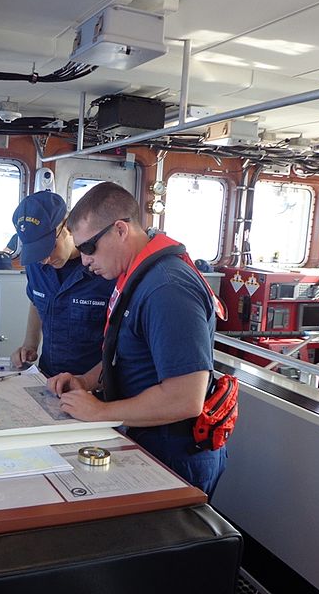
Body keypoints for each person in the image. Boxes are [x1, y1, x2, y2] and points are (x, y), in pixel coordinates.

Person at [47, 182, 227, 497]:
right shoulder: (137, 276)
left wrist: (100, 412)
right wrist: (86, 381)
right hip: (146, 438)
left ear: (119, 230)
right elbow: (126, 353)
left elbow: (185, 398)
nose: (85, 261)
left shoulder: (166, 289)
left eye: (88, 248)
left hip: (174, 453)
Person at [11, 190, 115, 376]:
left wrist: (89, 382)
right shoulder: (36, 265)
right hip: (48, 376)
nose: (45, 259)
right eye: (36, 251)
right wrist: (30, 344)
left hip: (94, 384)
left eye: (48, 248)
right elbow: (36, 300)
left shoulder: (104, 267)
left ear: (67, 226)